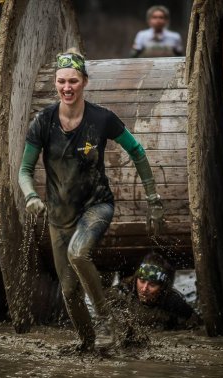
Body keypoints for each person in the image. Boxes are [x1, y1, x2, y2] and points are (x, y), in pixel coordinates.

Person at [18, 49, 165, 352]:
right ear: (55, 84)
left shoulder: (102, 119)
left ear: (85, 81)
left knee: (78, 253)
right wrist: (30, 194)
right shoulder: (43, 122)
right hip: (59, 216)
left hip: (96, 206)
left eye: (73, 81)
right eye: (61, 82)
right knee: (69, 291)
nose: (67, 88)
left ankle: (105, 321)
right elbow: (24, 170)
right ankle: (89, 343)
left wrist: (153, 199)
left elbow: (137, 151)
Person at [109, 253, 201, 330]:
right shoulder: (122, 292)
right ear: (136, 279)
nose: (144, 289)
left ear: (162, 288)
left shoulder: (173, 303)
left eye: (152, 285)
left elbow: (196, 323)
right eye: (142, 281)